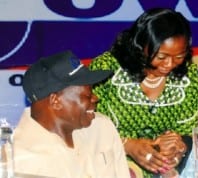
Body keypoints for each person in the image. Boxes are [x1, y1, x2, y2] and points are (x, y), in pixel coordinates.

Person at [89, 8, 198, 178]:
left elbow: (187, 130)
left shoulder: (188, 74)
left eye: (179, 57)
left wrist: (177, 149)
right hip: (107, 162)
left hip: (163, 167)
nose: (169, 64)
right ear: (141, 47)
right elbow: (85, 124)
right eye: (161, 56)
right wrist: (127, 145)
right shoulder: (106, 68)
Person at [13, 50, 131, 178]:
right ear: (56, 101)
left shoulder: (102, 128)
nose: (95, 98)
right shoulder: (20, 160)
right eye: (87, 95)